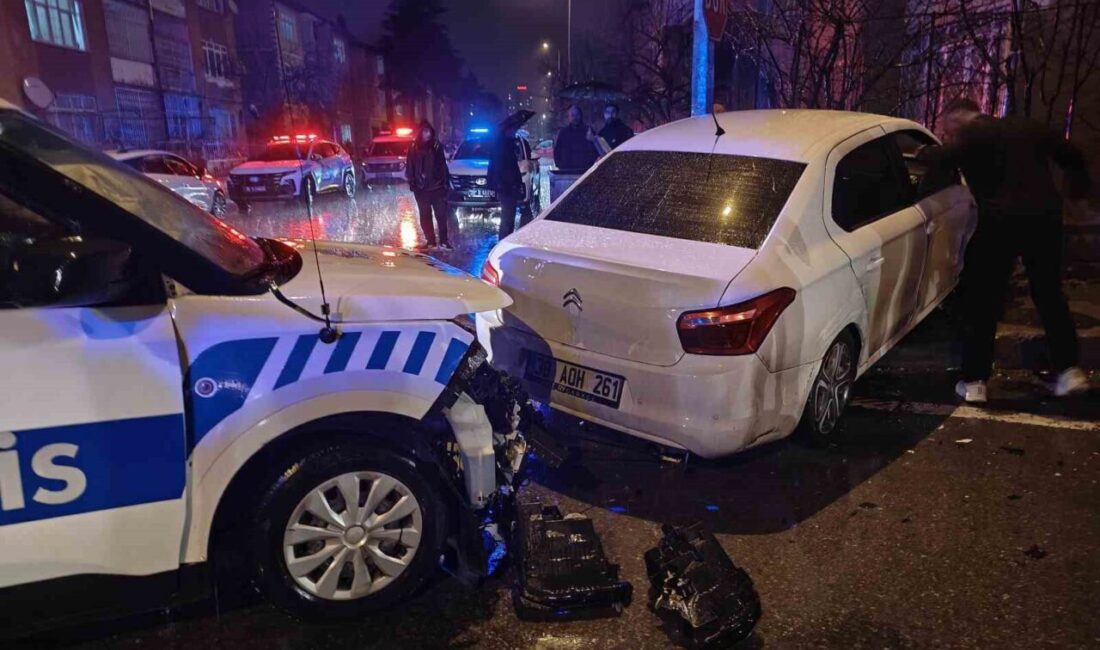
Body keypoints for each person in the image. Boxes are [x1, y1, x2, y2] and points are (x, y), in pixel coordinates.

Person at [921, 98, 1092, 402]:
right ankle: (1070, 372)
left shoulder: (972, 136)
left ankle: (975, 382)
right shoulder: (1024, 126)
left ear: (958, 118)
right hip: (1045, 220)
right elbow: (1072, 154)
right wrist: (1076, 194)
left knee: (983, 299)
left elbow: (938, 162)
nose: (947, 133)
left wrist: (924, 153)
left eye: (947, 127)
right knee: (1049, 293)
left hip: (998, 223)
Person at [405, 120, 452, 251]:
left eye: (429, 131)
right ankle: (430, 241)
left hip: (437, 188)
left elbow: (442, 166)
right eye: (425, 131)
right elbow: (410, 166)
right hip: (421, 189)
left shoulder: (436, 146)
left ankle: (444, 241)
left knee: (441, 215)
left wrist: (444, 183)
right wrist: (413, 183)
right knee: (425, 216)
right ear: (420, 133)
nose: (428, 134)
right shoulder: (414, 147)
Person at [487, 120, 525, 239]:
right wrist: (510, 184)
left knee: (509, 216)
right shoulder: (502, 146)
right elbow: (503, 168)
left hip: (508, 186)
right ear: (507, 131)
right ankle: (504, 241)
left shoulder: (506, 144)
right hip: (506, 187)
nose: (514, 131)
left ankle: (506, 239)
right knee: (507, 217)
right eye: (513, 129)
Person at [553, 104, 599, 172]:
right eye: (572, 115)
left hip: (585, 172)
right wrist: (560, 165)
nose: (575, 117)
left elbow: (595, 150)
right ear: (569, 117)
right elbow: (557, 151)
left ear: (581, 115)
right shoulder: (563, 133)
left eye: (577, 114)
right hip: (567, 172)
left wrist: (590, 165)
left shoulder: (588, 131)